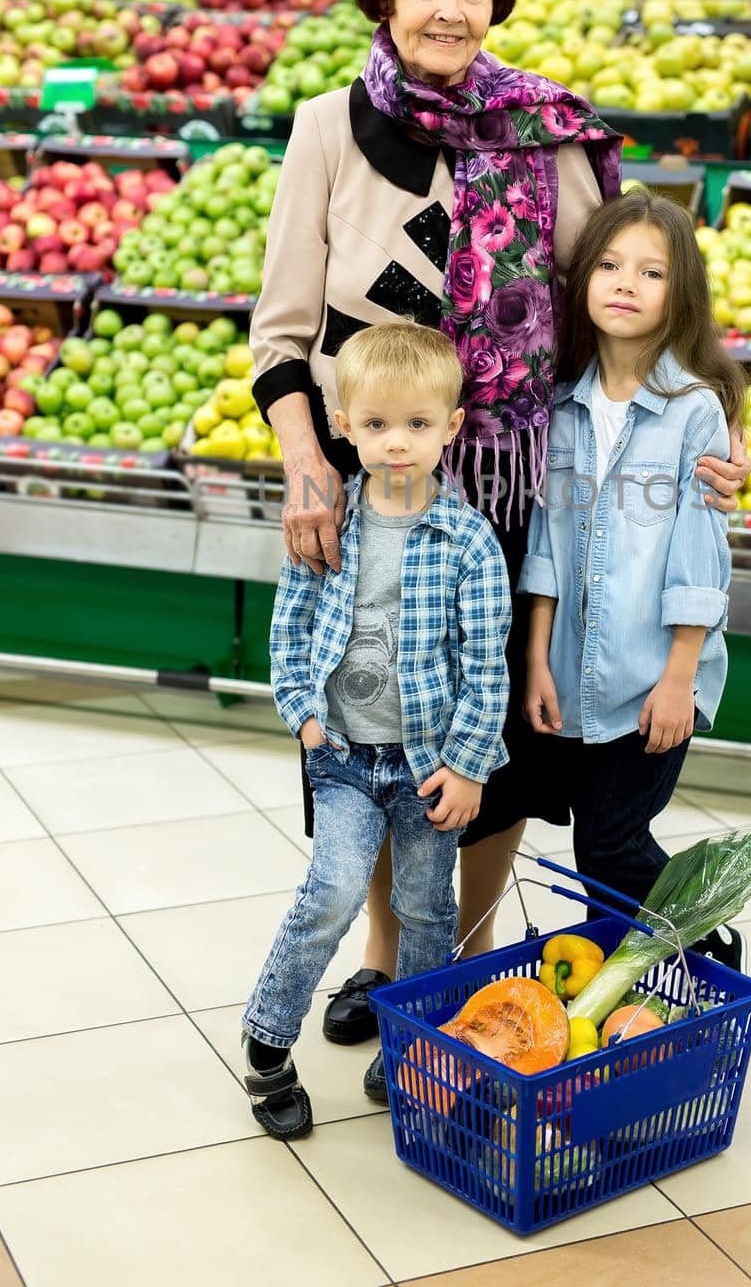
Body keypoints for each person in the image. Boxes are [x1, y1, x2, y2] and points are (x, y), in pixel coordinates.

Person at [249, 0, 750, 1060]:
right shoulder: (328, 127)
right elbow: (279, 332)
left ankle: (459, 959)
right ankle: (383, 959)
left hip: (515, 492)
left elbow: (619, 306)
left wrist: (700, 438)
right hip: (368, 484)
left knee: (488, 746)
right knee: (373, 717)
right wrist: (303, 470)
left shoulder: (548, 134)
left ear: (495, 5)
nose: (448, 8)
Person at [241, 323, 511, 1138]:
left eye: (418, 425)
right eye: (378, 425)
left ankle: (410, 1050)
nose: (398, 444)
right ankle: (266, 1046)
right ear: (345, 425)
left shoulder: (468, 540)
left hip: (428, 763)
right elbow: (289, 626)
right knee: (328, 891)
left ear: (451, 426)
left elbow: (485, 663)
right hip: (345, 759)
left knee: (429, 912)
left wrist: (467, 768)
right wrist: (304, 717)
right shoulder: (327, 520)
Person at [520, 191, 747, 969]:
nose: (625, 283)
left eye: (650, 271)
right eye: (610, 266)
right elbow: (547, 546)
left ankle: (709, 954)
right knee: (597, 846)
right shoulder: (561, 408)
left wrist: (678, 677)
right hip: (574, 673)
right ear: (582, 280)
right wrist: (537, 661)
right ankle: (625, 990)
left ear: (679, 292)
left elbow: (697, 557)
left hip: (654, 671)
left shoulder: (693, 413)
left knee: (611, 840)